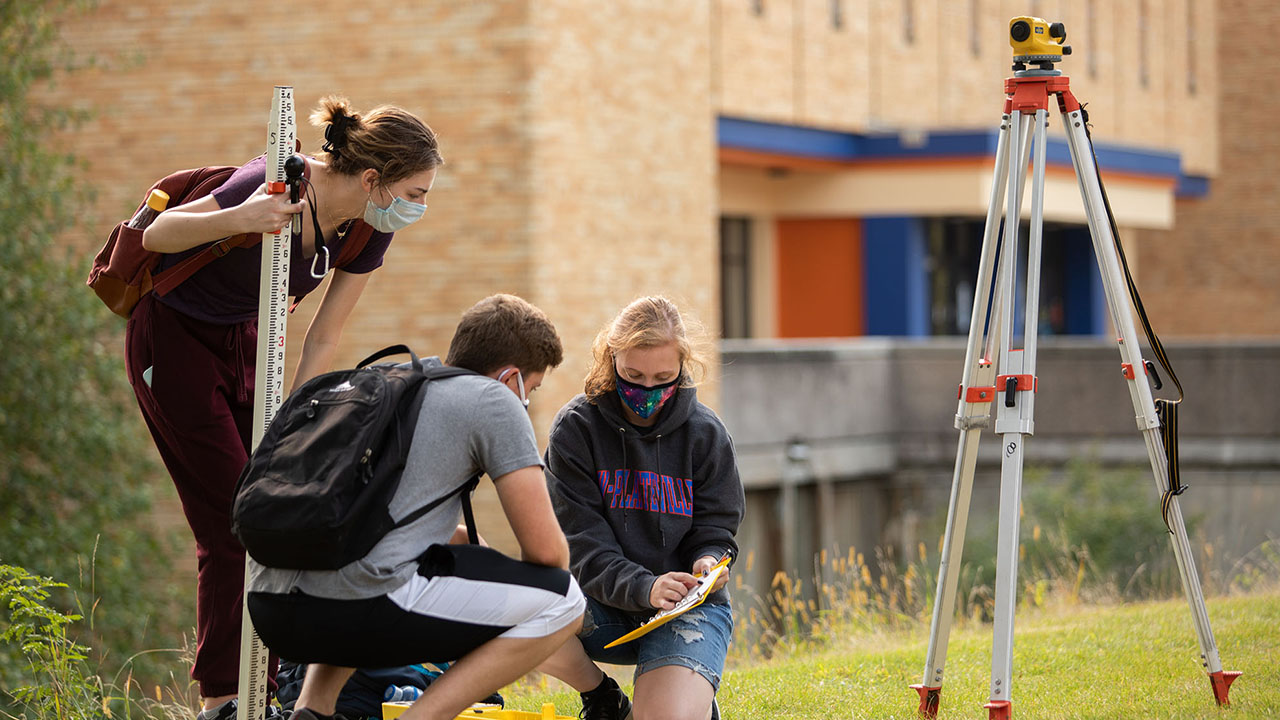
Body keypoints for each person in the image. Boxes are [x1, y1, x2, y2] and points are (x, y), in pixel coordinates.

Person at [124, 95, 442, 717]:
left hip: (248, 341)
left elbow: (324, 335)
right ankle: (225, 700)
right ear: (374, 178)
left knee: (276, 513)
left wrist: (294, 421)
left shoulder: (368, 228)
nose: (421, 206)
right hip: (175, 337)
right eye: (417, 190)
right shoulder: (279, 177)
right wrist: (244, 217)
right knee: (231, 522)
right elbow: (156, 234)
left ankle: (265, 692)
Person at [246, 294, 585, 720]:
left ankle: (312, 711)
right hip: (355, 610)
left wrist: (459, 542)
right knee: (564, 600)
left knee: (375, 567)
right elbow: (548, 554)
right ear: (510, 376)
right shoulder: (492, 399)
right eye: (532, 388)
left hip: (270, 609)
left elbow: (368, 522)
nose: (528, 399)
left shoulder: (391, 383)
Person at [540, 296, 745, 720]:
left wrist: (708, 561)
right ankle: (602, 698)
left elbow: (716, 528)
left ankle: (686, 696)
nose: (647, 391)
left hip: (686, 607)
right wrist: (644, 587)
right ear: (610, 358)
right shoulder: (576, 430)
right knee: (514, 604)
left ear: (682, 368)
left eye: (663, 378)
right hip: (603, 603)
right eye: (633, 376)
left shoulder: (705, 434)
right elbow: (580, 546)